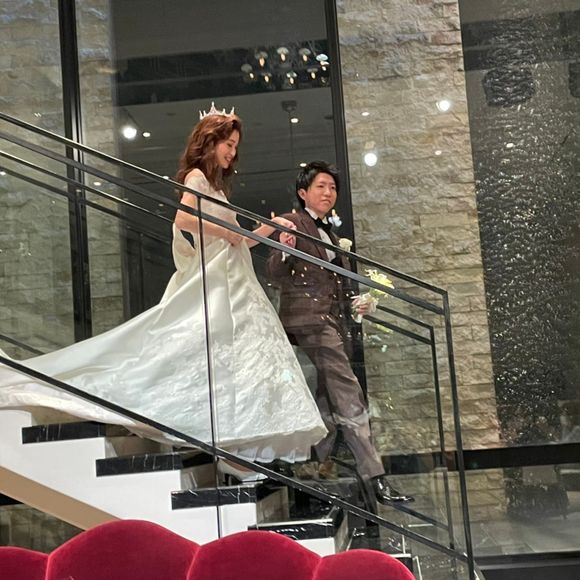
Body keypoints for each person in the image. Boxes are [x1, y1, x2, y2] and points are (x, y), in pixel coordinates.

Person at [0, 106, 327, 479]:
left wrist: (269, 228)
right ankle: (227, 449)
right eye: (228, 144)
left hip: (236, 281)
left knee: (242, 364)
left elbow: (238, 242)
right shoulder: (197, 178)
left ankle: (235, 449)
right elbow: (184, 219)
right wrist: (226, 231)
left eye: (236, 145)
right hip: (218, 284)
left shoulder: (216, 188)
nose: (232, 152)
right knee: (214, 361)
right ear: (210, 142)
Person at [267, 161, 413, 504]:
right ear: (303, 193)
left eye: (332, 187)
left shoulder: (332, 235)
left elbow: (336, 284)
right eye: (320, 186)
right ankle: (375, 476)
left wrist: (361, 302)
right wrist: (285, 247)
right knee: (348, 392)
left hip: (332, 324)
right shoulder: (293, 222)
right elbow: (274, 272)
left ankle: (315, 470)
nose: (328, 192)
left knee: (325, 397)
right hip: (309, 323)